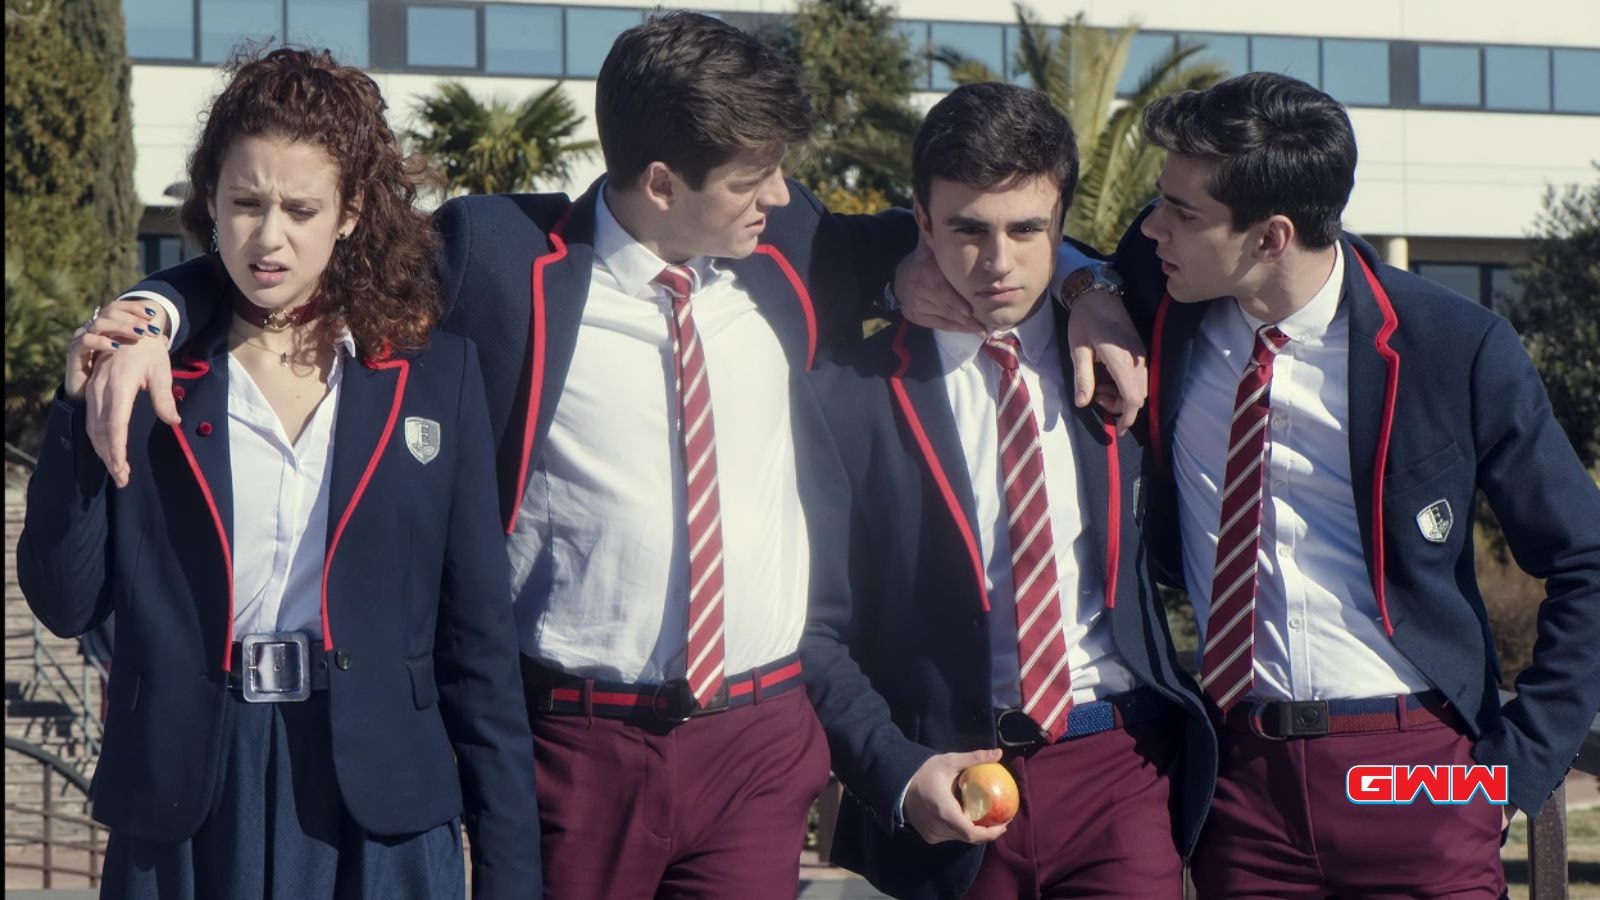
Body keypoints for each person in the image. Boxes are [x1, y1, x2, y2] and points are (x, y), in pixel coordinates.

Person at [76, 15, 1148, 899]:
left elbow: (993, 228)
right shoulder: (502, 263)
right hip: (577, 750)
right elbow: (294, 252)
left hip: (759, 742)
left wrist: (1089, 287)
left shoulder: (784, 257)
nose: (778, 199)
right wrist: (150, 308)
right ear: (664, 180)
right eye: (754, 179)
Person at [18, 48, 540, 899]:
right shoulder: (149, 373)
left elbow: (478, 645)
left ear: (350, 211)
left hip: (382, 805)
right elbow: (65, 600)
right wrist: (81, 402)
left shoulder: (436, 376)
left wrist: (512, 874)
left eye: (301, 208)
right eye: (245, 203)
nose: (269, 238)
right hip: (188, 790)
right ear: (210, 206)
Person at [1116, 71, 1600, 897]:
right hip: (1241, 779)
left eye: (1181, 213)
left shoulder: (1457, 344)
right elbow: (1025, 245)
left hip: (1417, 772)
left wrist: (1508, 776)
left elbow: (1586, 560)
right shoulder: (1167, 294)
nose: (1152, 228)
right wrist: (1087, 290)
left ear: (1271, 236)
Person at [798, 82, 1215, 900]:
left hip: (1120, 766)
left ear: (1061, 227)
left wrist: (1089, 286)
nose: (998, 263)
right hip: (946, 784)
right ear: (919, 221)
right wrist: (893, 769)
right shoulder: (844, 395)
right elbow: (811, 624)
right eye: (967, 230)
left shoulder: (1126, 351)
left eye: (1028, 230)